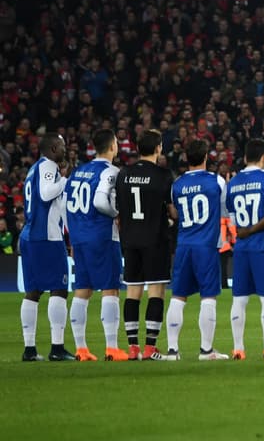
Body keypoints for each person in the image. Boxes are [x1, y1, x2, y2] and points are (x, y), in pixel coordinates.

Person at [65, 129, 128, 360]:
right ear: (112, 146)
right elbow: (101, 201)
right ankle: (112, 347)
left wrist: (72, 234)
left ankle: (81, 349)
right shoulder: (111, 171)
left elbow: (65, 205)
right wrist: (116, 212)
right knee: (110, 288)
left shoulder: (78, 171)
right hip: (102, 236)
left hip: (80, 237)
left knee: (83, 290)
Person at [223, 137, 264, 359]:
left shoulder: (233, 182)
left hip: (241, 248)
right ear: (263, 158)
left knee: (239, 299)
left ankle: (238, 348)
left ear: (244, 158)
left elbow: (231, 217)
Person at [115, 128, 175, 360]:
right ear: (159, 148)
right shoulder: (163, 175)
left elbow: (119, 207)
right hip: (155, 239)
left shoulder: (123, 174)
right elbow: (172, 211)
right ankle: (150, 347)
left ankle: (132, 348)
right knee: (156, 291)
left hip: (130, 240)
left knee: (132, 292)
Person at [166, 139, 228, 360]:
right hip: (206, 246)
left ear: (186, 158)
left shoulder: (177, 184)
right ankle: (206, 350)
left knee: (178, 297)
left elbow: (174, 213)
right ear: (205, 157)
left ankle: (172, 350)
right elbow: (225, 210)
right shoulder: (216, 181)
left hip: (184, 245)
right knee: (208, 297)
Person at [18, 134, 73, 362]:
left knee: (34, 292)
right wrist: (65, 179)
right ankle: (57, 347)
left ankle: (29, 349)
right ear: (52, 148)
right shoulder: (49, 166)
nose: (65, 149)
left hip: (30, 236)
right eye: (62, 146)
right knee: (59, 289)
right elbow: (46, 193)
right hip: (46, 237)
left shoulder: (33, 169)